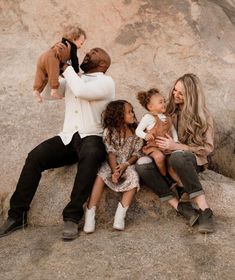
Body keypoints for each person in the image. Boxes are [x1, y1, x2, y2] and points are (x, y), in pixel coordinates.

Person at [0, 47, 115, 240]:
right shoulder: (74, 79)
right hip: (68, 137)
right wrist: (50, 66)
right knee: (35, 157)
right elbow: (48, 94)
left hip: (92, 136)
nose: (89, 52)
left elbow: (82, 91)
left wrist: (66, 66)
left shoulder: (106, 82)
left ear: (103, 64)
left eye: (95, 52)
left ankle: (72, 216)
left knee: (91, 155)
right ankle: (17, 215)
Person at [135, 73, 214, 233]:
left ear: (191, 96)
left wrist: (177, 145)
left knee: (178, 156)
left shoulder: (203, 116)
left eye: (180, 93)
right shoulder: (167, 110)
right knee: (142, 165)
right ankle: (181, 207)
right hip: (165, 159)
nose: (174, 95)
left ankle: (205, 211)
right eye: (174, 90)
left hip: (188, 160)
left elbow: (207, 148)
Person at [83, 100, 143, 233]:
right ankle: (90, 213)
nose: (132, 114)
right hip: (112, 164)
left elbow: (137, 153)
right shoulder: (109, 132)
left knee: (134, 178)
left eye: (132, 111)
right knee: (100, 177)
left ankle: (120, 215)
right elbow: (111, 153)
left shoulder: (136, 131)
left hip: (127, 164)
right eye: (129, 112)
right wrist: (114, 171)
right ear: (119, 117)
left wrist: (126, 164)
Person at [135, 88, 179, 188]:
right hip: (154, 147)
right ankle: (165, 178)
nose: (164, 104)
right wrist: (145, 135)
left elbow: (173, 130)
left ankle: (176, 179)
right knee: (159, 157)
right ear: (150, 107)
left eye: (164, 101)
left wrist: (176, 142)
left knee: (173, 160)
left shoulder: (167, 117)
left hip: (167, 147)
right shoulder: (148, 117)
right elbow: (138, 131)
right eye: (160, 102)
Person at [33, 24, 86, 102]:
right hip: (52, 58)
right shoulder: (72, 46)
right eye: (81, 43)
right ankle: (54, 90)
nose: (80, 46)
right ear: (74, 39)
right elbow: (75, 60)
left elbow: (60, 63)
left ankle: (36, 91)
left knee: (42, 75)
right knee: (53, 73)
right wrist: (77, 71)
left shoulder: (60, 43)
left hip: (43, 56)